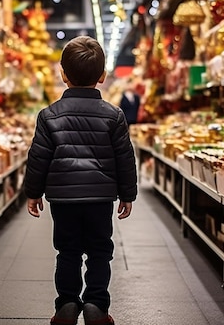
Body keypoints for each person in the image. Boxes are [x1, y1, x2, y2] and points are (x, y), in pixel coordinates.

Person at [23, 36, 138, 325]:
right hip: (100, 198)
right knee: (100, 251)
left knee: (68, 251)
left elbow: (38, 157)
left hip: (63, 200)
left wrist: (33, 192)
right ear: (102, 76)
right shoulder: (114, 115)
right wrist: (128, 194)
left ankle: (67, 304)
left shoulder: (48, 115)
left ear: (62, 74)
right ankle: (97, 304)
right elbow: (125, 157)